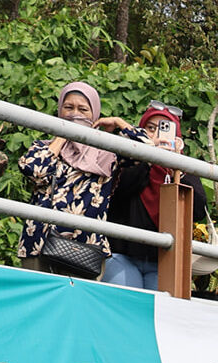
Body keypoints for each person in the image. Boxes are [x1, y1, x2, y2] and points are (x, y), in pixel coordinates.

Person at [18, 82, 142, 275]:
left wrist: (119, 123)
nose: (75, 114)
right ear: (60, 110)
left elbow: (146, 149)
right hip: (40, 245)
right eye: (68, 108)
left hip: (86, 251)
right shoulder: (44, 147)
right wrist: (63, 135)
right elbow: (35, 171)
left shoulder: (107, 154)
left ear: (94, 115)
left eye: (83, 110)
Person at [101, 102, 208, 289]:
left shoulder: (184, 169)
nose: (157, 134)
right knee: (126, 302)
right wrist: (148, 156)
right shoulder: (129, 160)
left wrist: (176, 169)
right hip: (122, 255)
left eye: (165, 129)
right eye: (150, 129)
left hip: (163, 261)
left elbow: (198, 210)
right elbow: (122, 190)